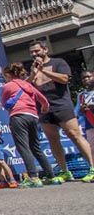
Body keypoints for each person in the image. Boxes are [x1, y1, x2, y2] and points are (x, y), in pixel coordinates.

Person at [27, 40, 94, 182]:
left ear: (45, 50)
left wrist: (43, 70)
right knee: (53, 139)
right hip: (44, 109)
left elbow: (64, 79)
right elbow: (27, 87)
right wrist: (33, 74)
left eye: (36, 51)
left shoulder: (58, 62)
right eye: (32, 52)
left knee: (74, 135)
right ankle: (64, 171)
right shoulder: (33, 68)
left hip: (62, 105)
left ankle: (92, 168)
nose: (34, 54)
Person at [1, 63, 56, 187]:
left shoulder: (8, 86)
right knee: (36, 147)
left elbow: (4, 104)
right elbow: (44, 100)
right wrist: (44, 108)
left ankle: (33, 177)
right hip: (33, 116)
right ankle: (51, 176)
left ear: (8, 75)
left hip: (18, 116)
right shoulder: (27, 85)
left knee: (24, 147)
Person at [77, 70, 94, 160]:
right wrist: (82, 109)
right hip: (90, 125)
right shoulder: (81, 95)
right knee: (92, 149)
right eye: (83, 78)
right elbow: (77, 113)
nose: (86, 79)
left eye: (88, 77)